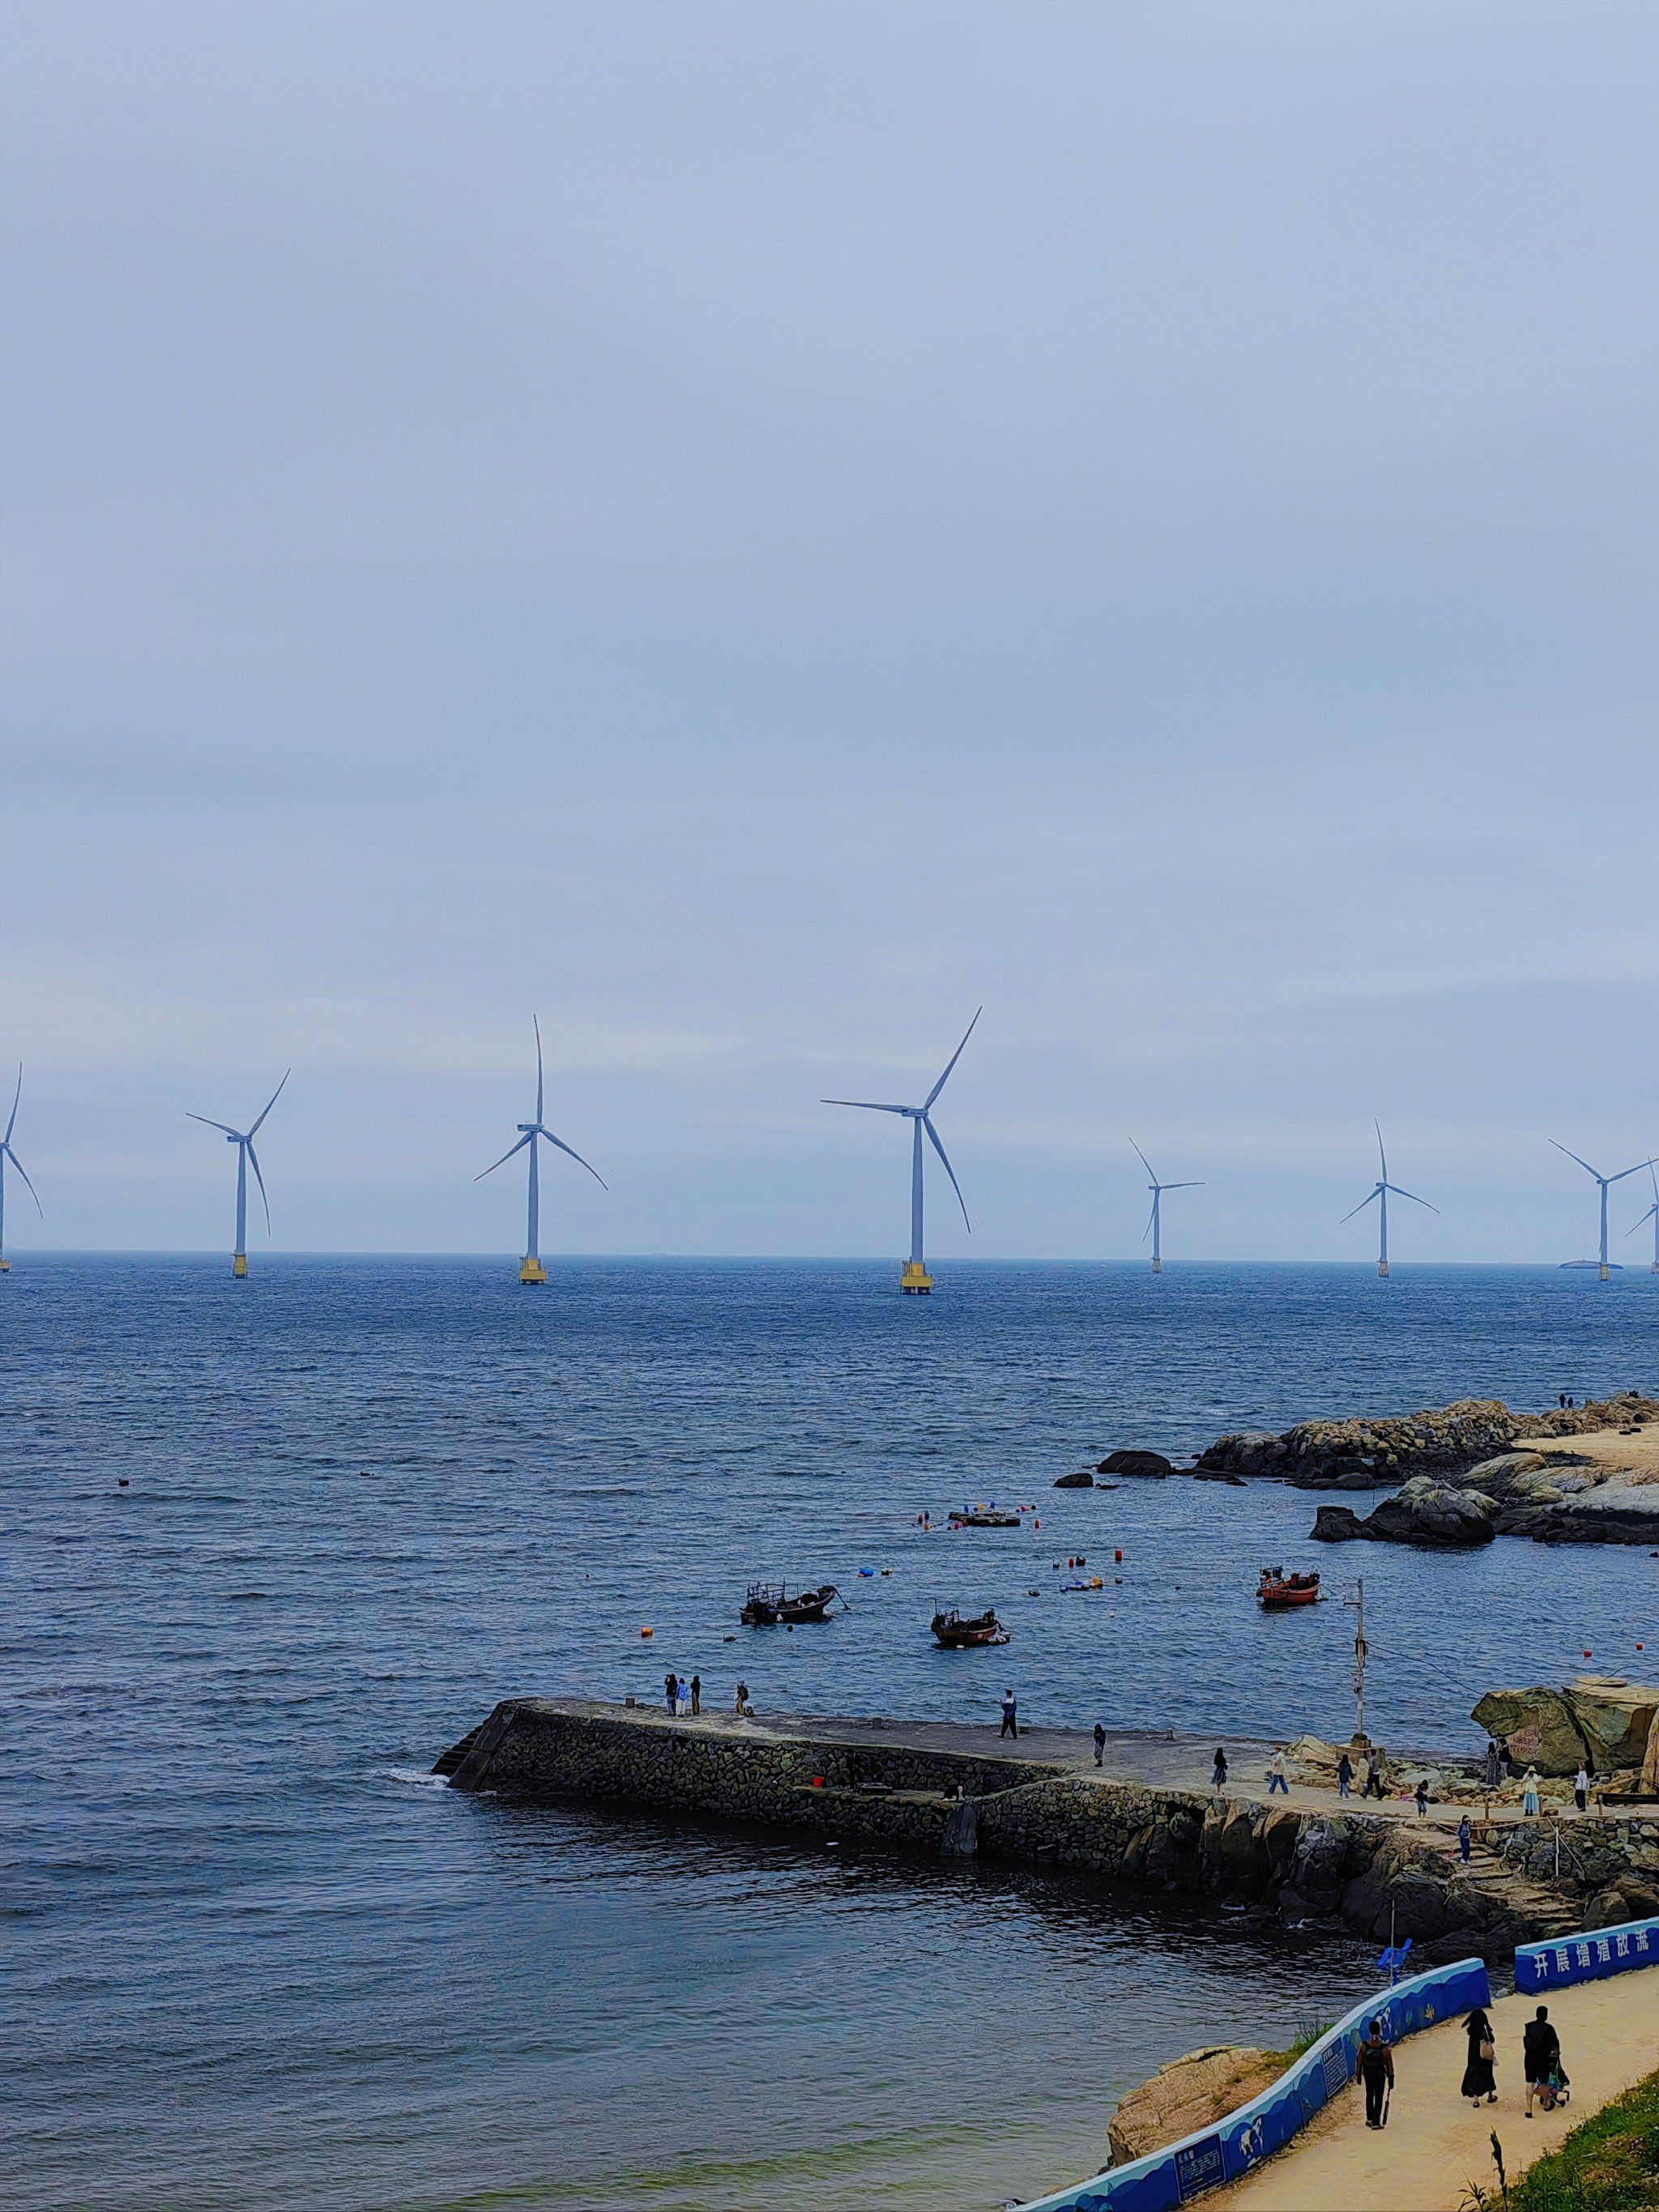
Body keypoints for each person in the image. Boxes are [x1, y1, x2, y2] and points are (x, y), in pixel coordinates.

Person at [1524, 2005, 1562, 2118]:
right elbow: (1555, 2046)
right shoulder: (1549, 2028)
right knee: (1544, 2083)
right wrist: (1554, 2060)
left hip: (1529, 2058)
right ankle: (1547, 2103)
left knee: (1530, 2083)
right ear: (1546, 2016)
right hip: (1543, 2059)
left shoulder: (1528, 2027)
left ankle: (1528, 2110)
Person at [1357, 2019, 1394, 2129]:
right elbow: (1390, 2066)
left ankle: (1369, 2119)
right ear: (1379, 2031)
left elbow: (1359, 2062)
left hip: (1368, 2075)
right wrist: (1391, 2079)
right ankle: (1377, 2122)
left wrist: (1358, 2076)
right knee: (1379, 2097)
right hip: (1380, 2076)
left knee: (1369, 2095)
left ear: (1369, 2031)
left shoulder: (1364, 2046)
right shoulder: (1385, 2048)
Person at [1461, 2007, 1498, 2107]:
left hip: (1474, 2059)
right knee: (1488, 2075)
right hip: (1485, 2058)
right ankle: (1490, 2096)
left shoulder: (1471, 2031)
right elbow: (1492, 2040)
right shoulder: (1484, 2030)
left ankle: (1476, 2100)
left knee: (1475, 2078)